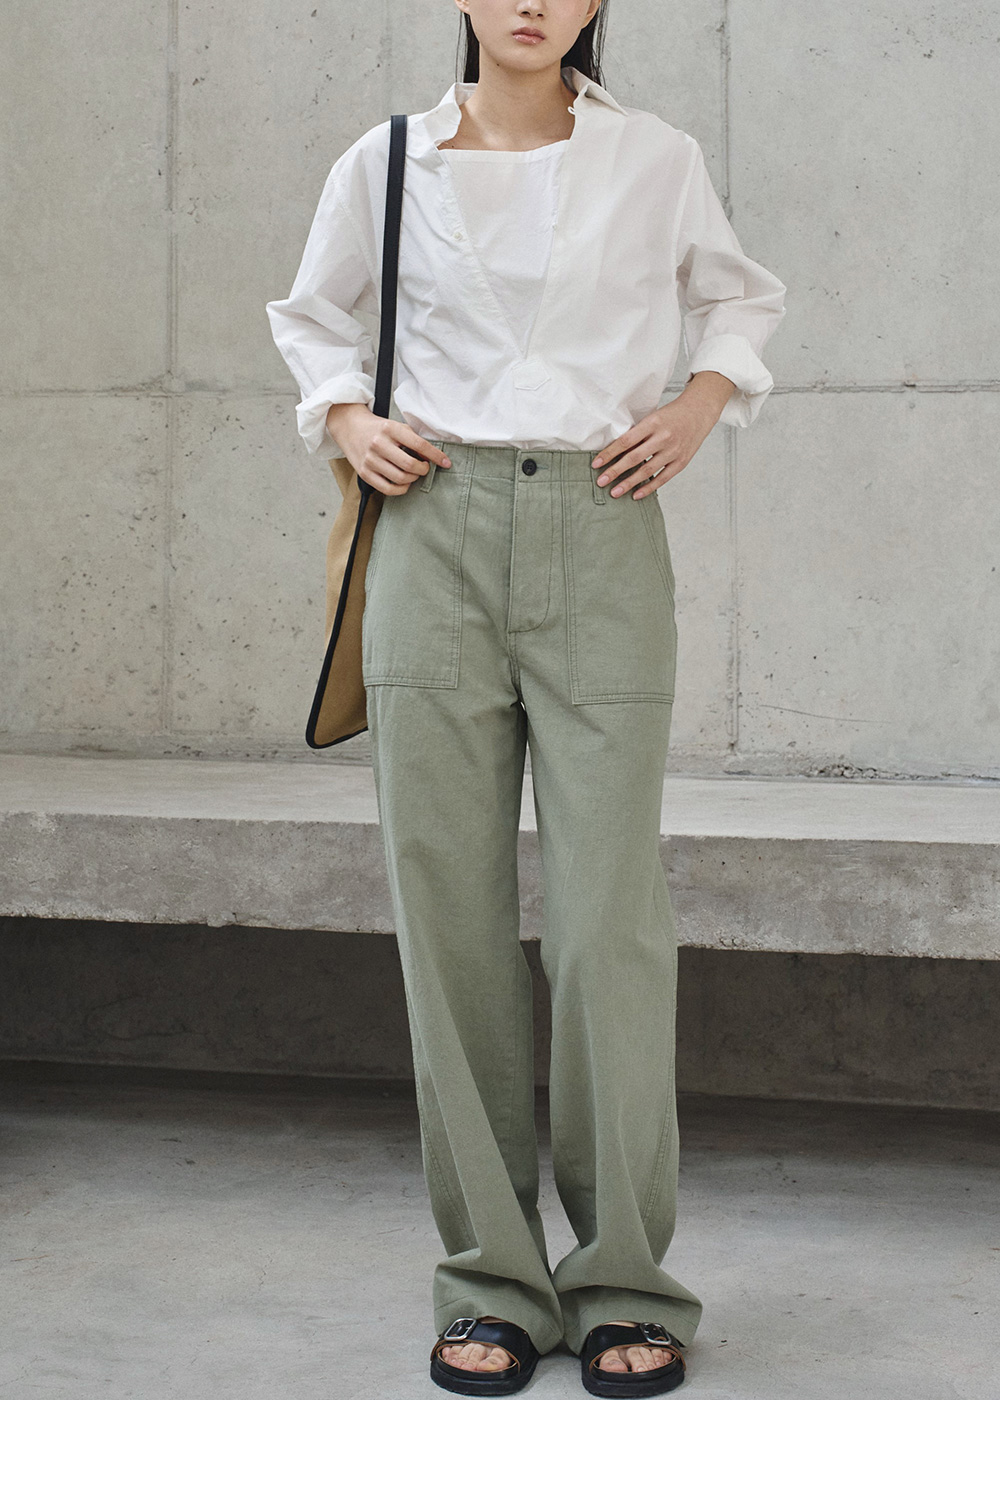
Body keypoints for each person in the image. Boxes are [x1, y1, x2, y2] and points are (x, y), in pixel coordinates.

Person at [266, 0, 786, 1398]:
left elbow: (740, 297)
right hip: (434, 529)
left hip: (601, 531)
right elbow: (310, 317)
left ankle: (626, 1280)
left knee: (611, 920)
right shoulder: (386, 160)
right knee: (447, 915)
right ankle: (490, 1280)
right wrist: (345, 416)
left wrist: (696, 405)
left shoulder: (655, 156)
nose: (531, 1)